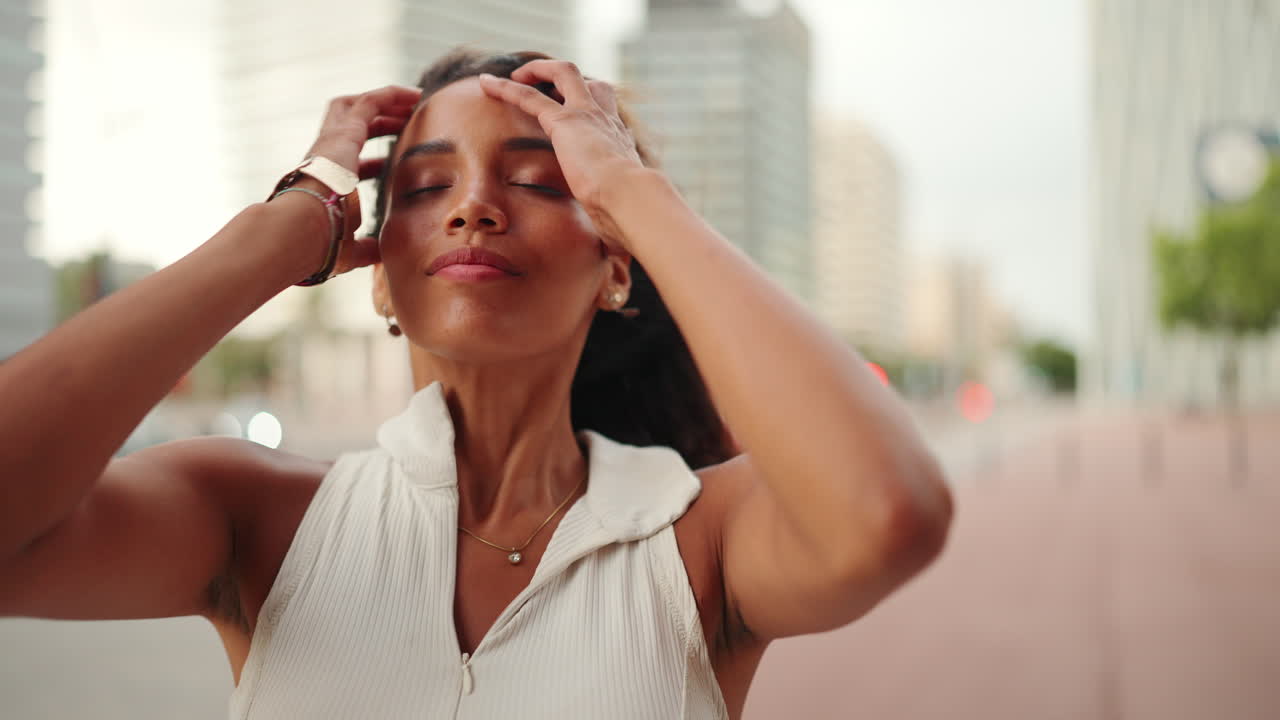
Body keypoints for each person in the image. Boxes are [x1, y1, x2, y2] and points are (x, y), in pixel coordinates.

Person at [0, 49, 953, 719]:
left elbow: (887, 510)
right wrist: (284, 226)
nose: (473, 208)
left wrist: (629, 189)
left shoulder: (698, 539)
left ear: (617, 264)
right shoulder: (256, 517)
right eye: (422, 189)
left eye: (541, 181)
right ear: (379, 270)